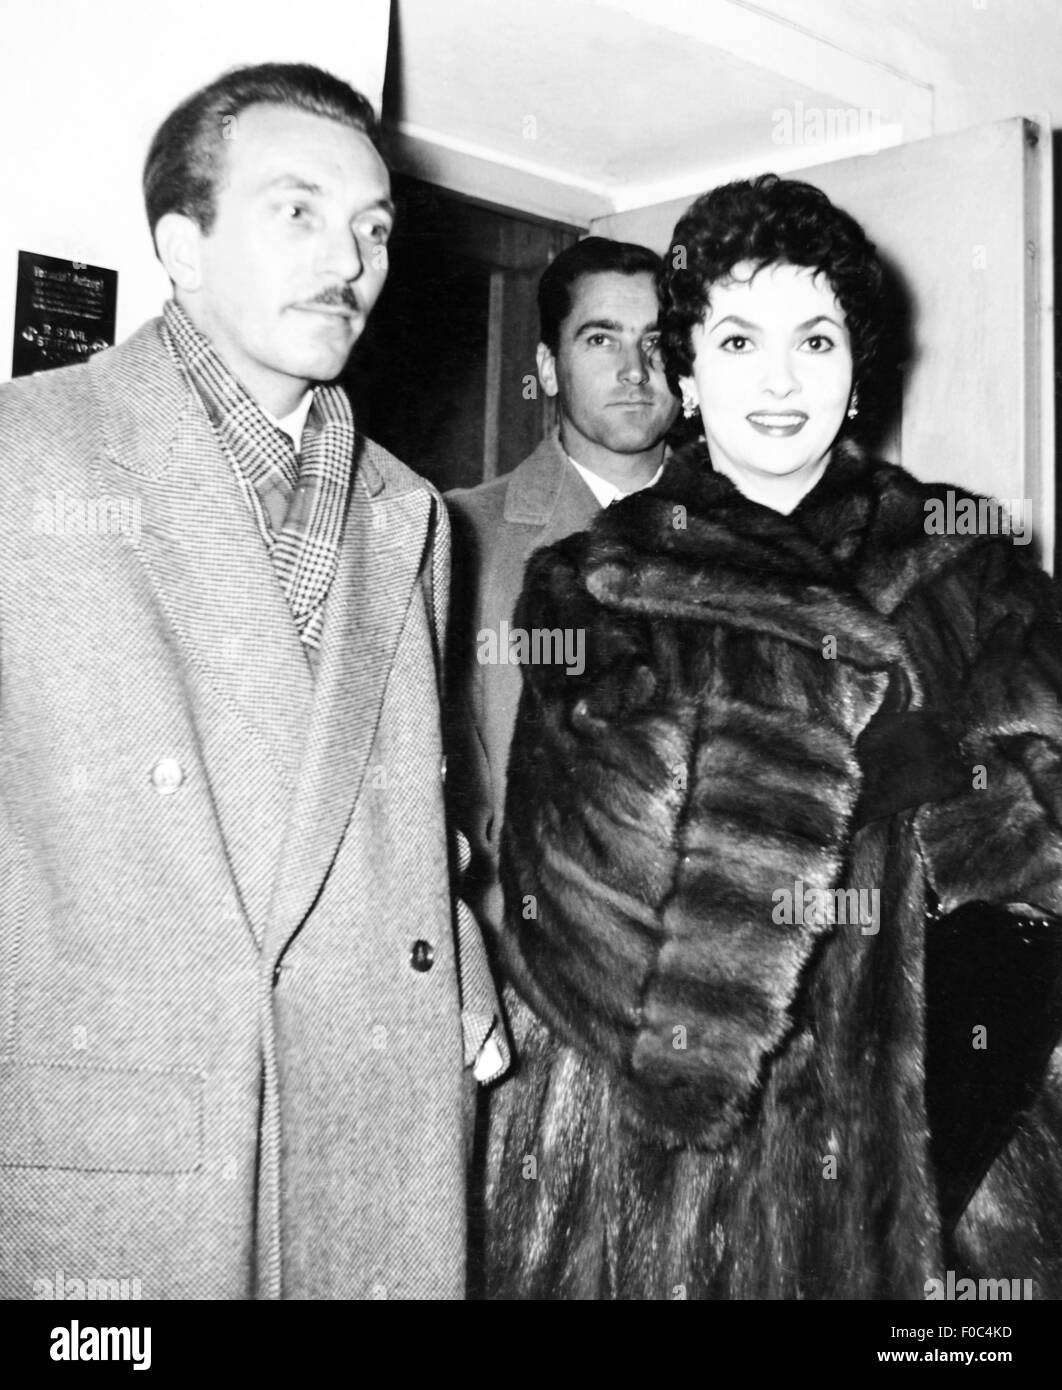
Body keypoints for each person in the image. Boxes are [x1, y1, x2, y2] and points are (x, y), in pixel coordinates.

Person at [484, 173, 1062, 1299]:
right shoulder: (600, 583)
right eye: (740, 339)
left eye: (818, 337)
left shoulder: (968, 561)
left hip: (949, 1126)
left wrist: (792, 785)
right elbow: (583, 892)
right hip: (667, 1159)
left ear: (859, 370)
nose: (783, 378)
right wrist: (876, 773)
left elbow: (1048, 822)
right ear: (690, 372)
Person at [0, 62, 503, 1301]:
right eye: (298, 210)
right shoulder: (27, 456)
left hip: (370, 1100)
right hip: (129, 1114)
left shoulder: (410, 511)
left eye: (373, 228)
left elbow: (386, 811)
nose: (350, 257)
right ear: (181, 244)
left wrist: (459, 959)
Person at [446, 236, 678, 954]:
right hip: (532, 973)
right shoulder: (461, 531)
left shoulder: (745, 536)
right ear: (547, 367)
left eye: (657, 342)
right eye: (600, 338)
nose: (635, 369)